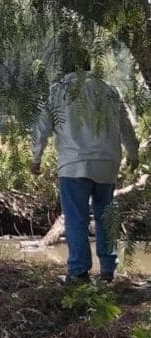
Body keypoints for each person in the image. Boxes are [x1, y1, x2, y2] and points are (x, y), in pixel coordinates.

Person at [31, 51, 140, 284]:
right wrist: (133, 154)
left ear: (65, 65)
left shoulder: (57, 90)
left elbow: (42, 127)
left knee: (76, 219)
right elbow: (126, 125)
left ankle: (79, 272)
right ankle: (108, 269)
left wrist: (36, 157)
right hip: (106, 164)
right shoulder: (109, 90)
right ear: (89, 64)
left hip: (73, 165)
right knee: (105, 215)